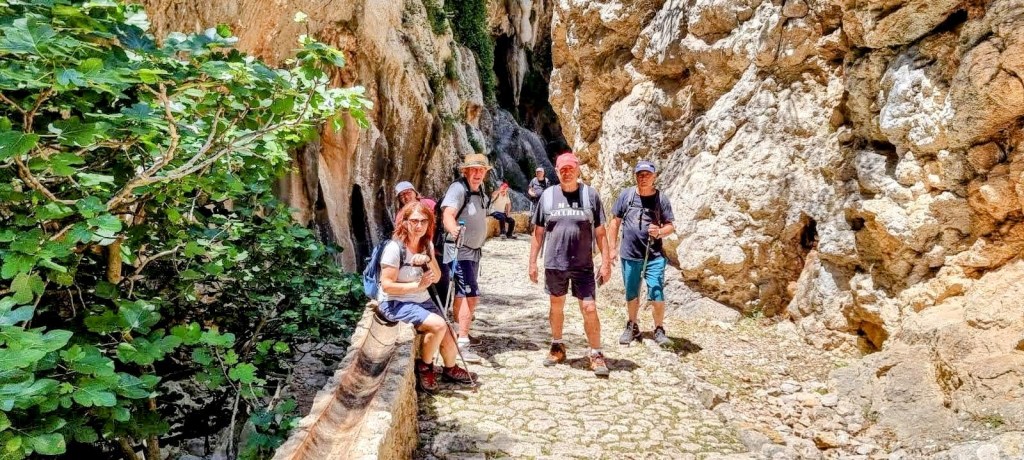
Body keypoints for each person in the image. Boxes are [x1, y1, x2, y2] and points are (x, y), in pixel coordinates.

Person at [528, 152, 613, 377]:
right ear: (556, 171)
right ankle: (557, 345)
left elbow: (601, 233)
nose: (566, 172)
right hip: (555, 263)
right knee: (556, 306)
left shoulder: (590, 195)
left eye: (570, 168)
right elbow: (538, 233)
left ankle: (596, 353)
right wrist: (532, 263)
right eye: (562, 169)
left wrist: (606, 263)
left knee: (589, 308)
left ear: (578, 170)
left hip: (583, 265)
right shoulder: (547, 196)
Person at [377, 201, 476, 392]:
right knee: (438, 325)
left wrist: (428, 261)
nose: (419, 225)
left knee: (449, 334)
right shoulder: (394, 248)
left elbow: (437, 277)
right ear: (404, 222)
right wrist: (417, 285)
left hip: (421, 300)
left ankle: (449, 368)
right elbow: (387, 286)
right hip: (396, 303)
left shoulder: (426, 245)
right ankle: (425, 367)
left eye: (424, 221)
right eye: (414, 221)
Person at [608, 160, 676, 346]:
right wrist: (612, 249)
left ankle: (659, 329)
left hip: (653, 255)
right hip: (629, 254)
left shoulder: (661, 199)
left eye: (647, 174)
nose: (643, 177)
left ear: (654, 176)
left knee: (656, 290)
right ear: (635, 176)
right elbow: (615, 223)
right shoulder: (626, 196)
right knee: (632, 292)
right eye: (640, 174)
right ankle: (632, 325)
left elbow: (670, 226)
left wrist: (660, 232)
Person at [439, 153, 491, 363]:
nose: (478, 173)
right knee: (471, 295)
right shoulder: (458, 189)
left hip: (474, 251)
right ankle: (462, 343)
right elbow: (447, 215)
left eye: (482, 170)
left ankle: (461, 332)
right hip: (460, 251)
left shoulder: (479, 191)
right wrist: (454, 231)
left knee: (462, 295)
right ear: (466, 171)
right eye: (474, 170)